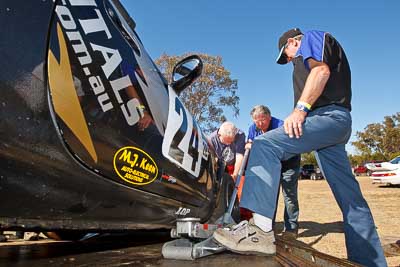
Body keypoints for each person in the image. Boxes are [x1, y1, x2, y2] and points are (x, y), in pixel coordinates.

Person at [213, 28, 387, 267]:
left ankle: (261, 233)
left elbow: (321, 70)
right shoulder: (302, 62)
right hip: (331, 128)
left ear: (293, 41)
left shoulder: (313, 38)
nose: (288, 60)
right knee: (351, 199)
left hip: (328, 118)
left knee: (264, 145)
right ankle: (370, 261)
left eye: (286, 54)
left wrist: (300, 109)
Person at [246, 105, 300, 238]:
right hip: (269, 165)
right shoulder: (253, 129)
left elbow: (285, 146)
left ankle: (291, 228)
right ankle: (268, 227)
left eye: (262, 120)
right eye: (256, 121)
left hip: (288, 163)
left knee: (289, 195)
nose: (259, 123)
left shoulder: (281, 126)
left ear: (269, 117)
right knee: (269, 196)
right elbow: (249, 144)